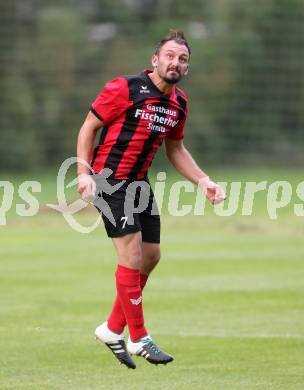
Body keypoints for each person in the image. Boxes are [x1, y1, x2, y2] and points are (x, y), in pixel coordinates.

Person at [76, 30, 226, 369]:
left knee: (151, 255)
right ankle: (138, 337)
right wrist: (84, 174)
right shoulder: (124, 88)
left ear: (187, 68)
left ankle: (112, 328)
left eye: (182, 59)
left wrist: (203, 180)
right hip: (109, 180)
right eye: (170, 56)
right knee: (130, 254)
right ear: (155, 60)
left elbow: (176, 148)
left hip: (139, 185)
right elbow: (89, 127)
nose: (175, 62)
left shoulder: (179, 104)